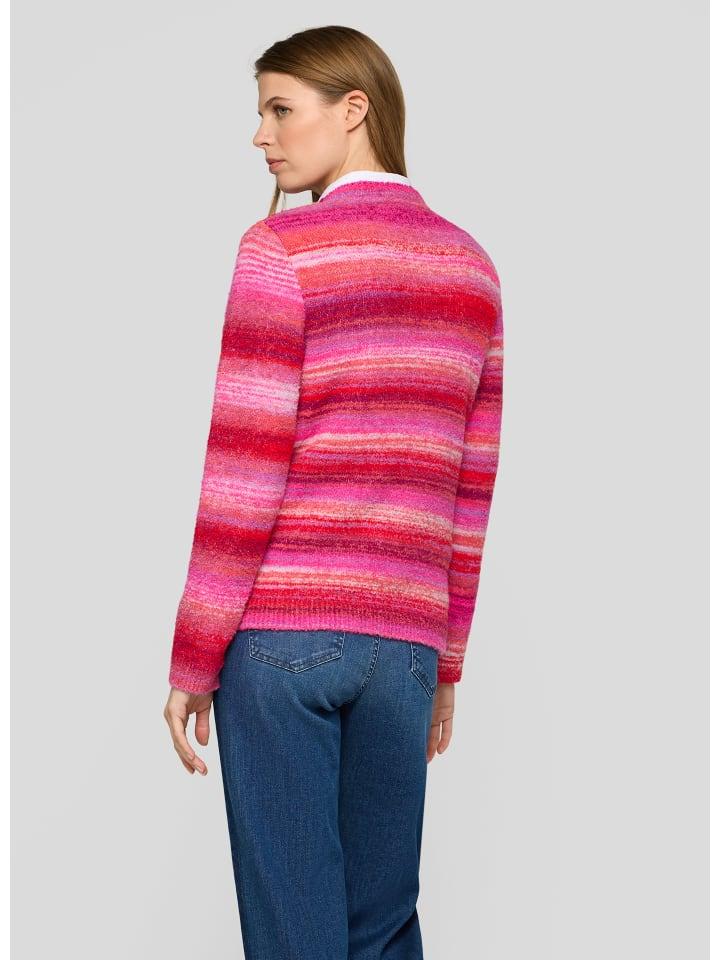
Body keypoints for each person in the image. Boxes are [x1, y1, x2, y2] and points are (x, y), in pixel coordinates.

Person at [162, 24, 504, 960]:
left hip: (282, 643)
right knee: (382, 931)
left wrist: (193, 657)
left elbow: (242, 471)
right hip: (404, 652)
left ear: (354, 110)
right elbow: (470, 495)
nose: (261, 136)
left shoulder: (280, 250)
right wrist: (445, 664)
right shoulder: (472, 269)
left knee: (296, 937)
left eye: (280, 109)